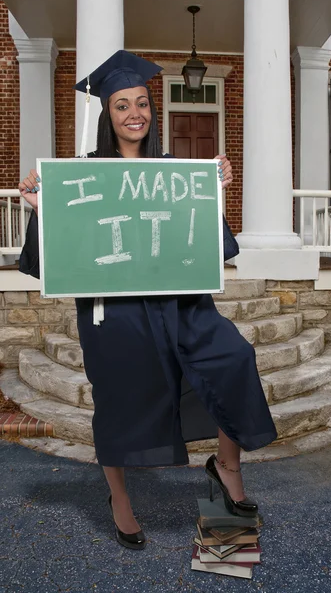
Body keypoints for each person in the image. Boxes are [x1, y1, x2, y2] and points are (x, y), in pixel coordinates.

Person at [18, 50, 277, 551]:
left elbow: (208, 244)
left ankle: (226, 470)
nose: (134, 112)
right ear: (107, 115)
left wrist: (214, 188)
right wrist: (39, 209)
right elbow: (62, 250)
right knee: (116, 398)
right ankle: (119, 498)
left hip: (180, 304)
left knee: (233, 358)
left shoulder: (176, 170)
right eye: (121, 105)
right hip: (115, 310)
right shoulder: (83, 174)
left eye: (141, 102)